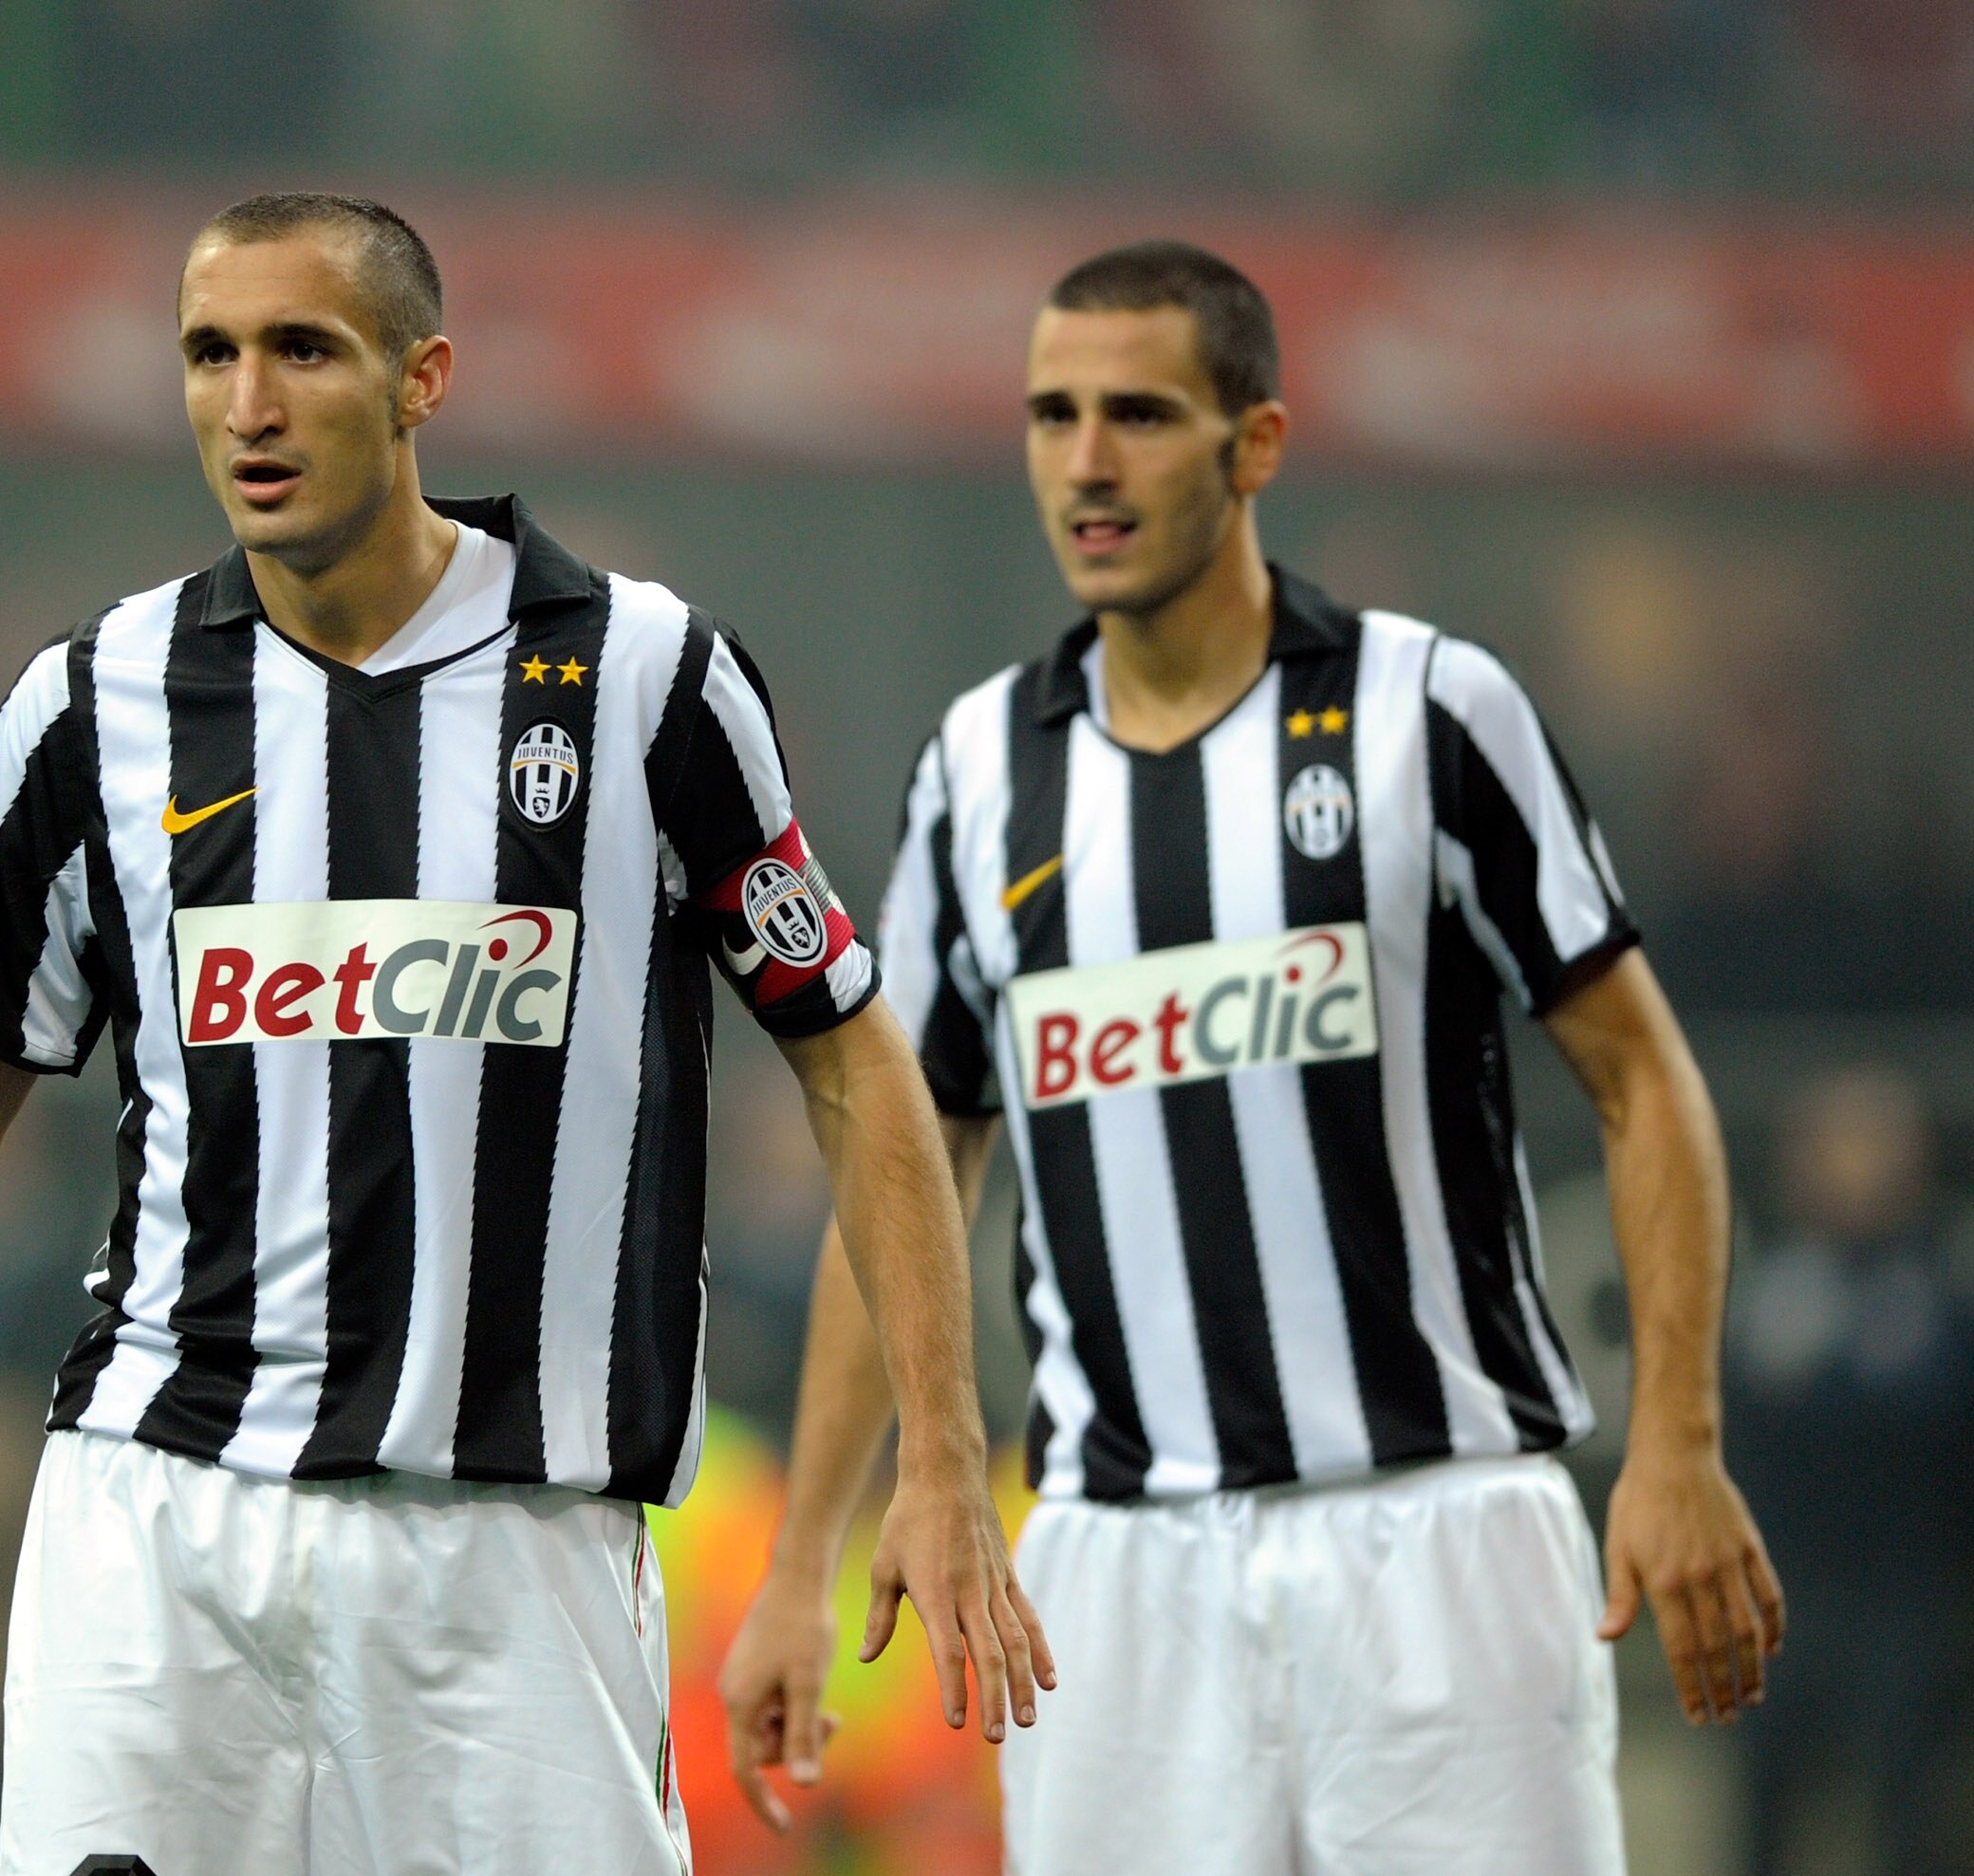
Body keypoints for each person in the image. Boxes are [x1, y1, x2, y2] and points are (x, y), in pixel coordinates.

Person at [0, 192, 1050, 1876]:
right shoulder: (91, 711)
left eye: (301, 348)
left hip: (507, 1556)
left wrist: (944, 1453)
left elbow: (850, 1055)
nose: (248, 403)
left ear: (419, 379)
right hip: (159, 1521)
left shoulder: (644, 682)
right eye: (210, 354)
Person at [719, 240, 1782, 1873]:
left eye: (1138, 412)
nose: (1085, 461)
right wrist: (805, 1561)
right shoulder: (982, 769)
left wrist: (1680, 1441)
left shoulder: (1431, 713)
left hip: (1438, 1531)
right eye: (1051, 414)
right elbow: (914, 1169)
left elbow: (1642, 1081)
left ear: (1256, 443)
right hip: (1114, 1569)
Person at [1726, 1064, 1972, 1875]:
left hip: (1912, 1601)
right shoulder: (1764, 1291)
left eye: (1874, 1141)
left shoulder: (1947, 1285)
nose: (1852, 1165)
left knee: (1912, 1815)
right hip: (1782, 1597)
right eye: (1831, 1143)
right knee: (1763, 1811)